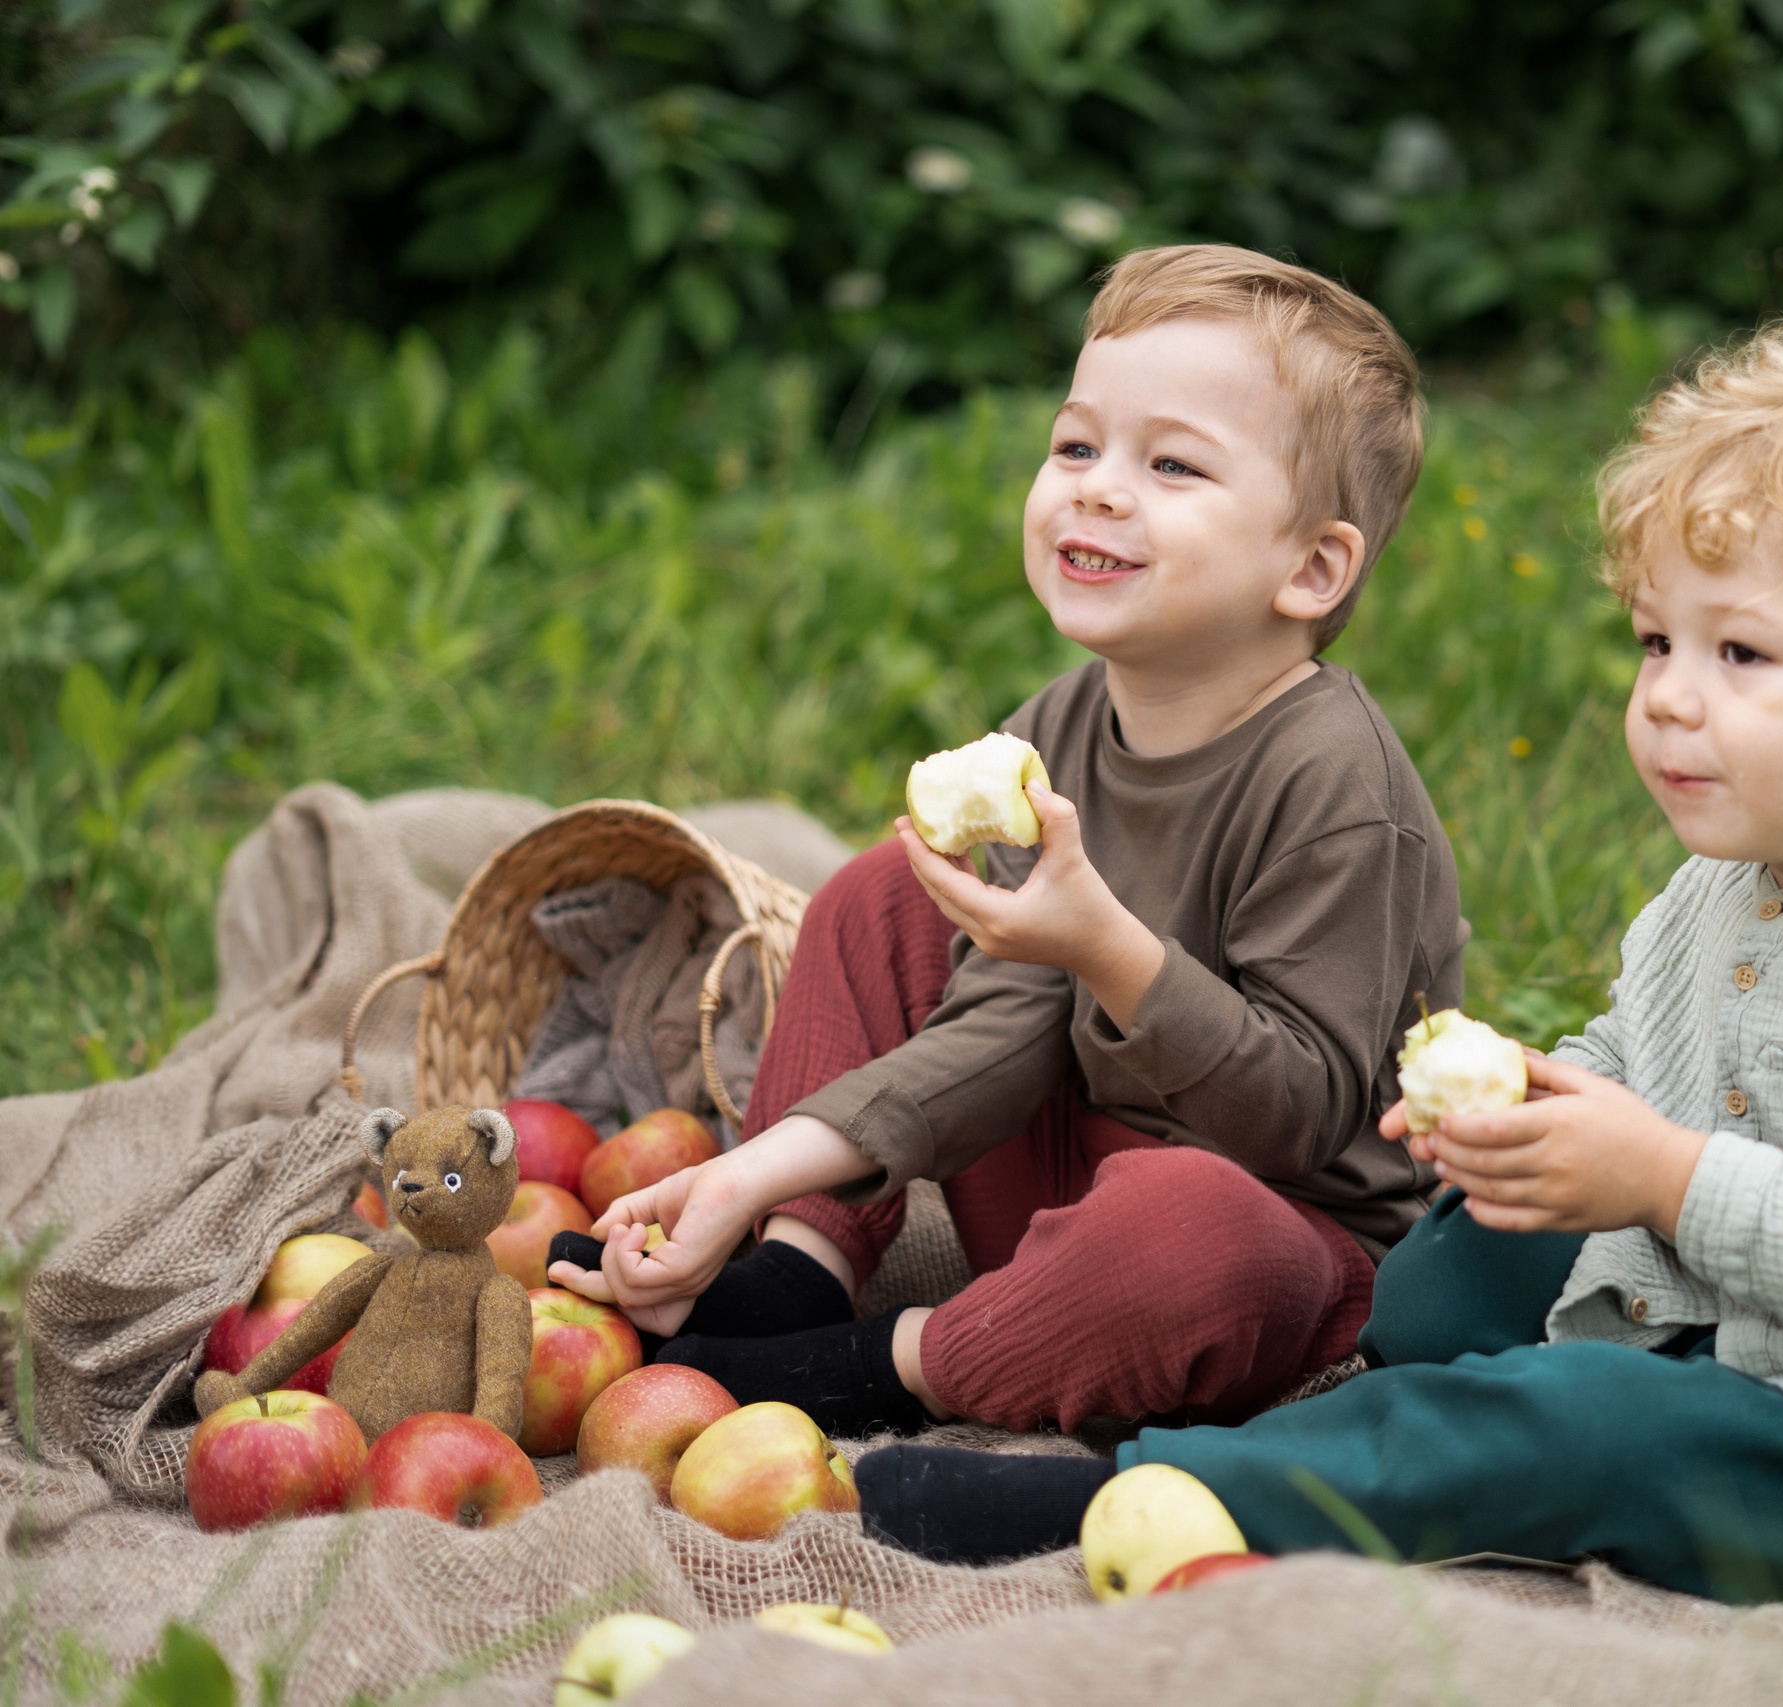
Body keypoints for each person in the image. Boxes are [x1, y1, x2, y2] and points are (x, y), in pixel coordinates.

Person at [845, 321, 1783, 1602]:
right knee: (1435, 1283)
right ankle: (1441, 1397)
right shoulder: (1727, 885)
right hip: (1724, 1294)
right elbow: (1636, 1053)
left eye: (1741, 652)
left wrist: (1659, 1171)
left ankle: (1165, 1489)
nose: (1668, 696)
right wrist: (1536, 1102)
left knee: (1580, 1423)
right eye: (1659, 642)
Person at [546, 244, 1463, 1442]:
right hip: (1064, 1164)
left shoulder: (1335, 785)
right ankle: (798, 1269)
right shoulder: (1063, 727)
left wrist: (1109, 952)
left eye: (1171, 464)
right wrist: (748, 1173)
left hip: (1271, 1251)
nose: (1094, 487)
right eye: (1077, 445)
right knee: (883, 897)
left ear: (1312, 566)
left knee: (1187, 1227)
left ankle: (883, 1364)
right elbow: (1001, 1028)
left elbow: (1295, 1116)